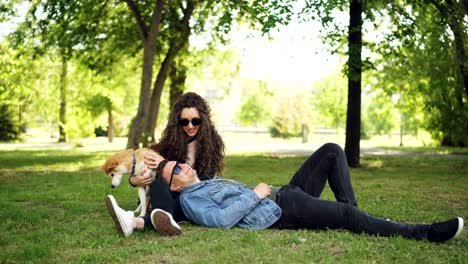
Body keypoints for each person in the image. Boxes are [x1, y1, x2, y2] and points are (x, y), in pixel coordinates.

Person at [107, 143, 463, 243]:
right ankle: (426, 232)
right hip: (281, 209)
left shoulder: (201, 181)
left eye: (180, 164)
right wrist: (256, 194)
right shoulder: (191, 199)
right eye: (177, 171)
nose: (183, 166)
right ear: (174, 185)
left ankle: (351, 217)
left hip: (285, 194)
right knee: (345, 216)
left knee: (331, 152)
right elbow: (220, 220)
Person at [106, 92, 225, 237]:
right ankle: (164, 220)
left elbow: (203, 181)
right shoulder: (172, 141)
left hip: (193, 196)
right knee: (158, 185)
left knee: (179, 198)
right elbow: (142, 166)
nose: (190, 126)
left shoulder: (213, 144)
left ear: (204, 120)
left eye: (196, 121)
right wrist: (134, 180)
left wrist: (164, 164)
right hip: (167, 194)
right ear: (177, 121)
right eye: (184, 122)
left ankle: (135, 222)